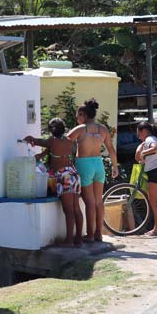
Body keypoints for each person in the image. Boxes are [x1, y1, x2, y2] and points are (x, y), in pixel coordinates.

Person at [24, 118, 83, 247]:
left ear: (51, 130)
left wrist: (31, 138)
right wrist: (42, 154)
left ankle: (69, 241)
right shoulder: (68, 140)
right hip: (74, 173)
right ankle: (78, 238)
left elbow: (41, 142)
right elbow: (53, 151)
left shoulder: (52, 141)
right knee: (76, 208)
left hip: (64, 175)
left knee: (69, 211)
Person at [68, 98, 118, 243]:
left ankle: (89, 235)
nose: (77, 119)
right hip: (98, 164)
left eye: (78, 116)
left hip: (84, 164)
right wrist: (115, 167)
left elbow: (63, 142)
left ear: (83, 114)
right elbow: (111, 149)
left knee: (89, 202)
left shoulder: (80, 129)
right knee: (98, 201)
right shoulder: (102, 129)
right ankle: (98, 233)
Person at [135, 121, 157, 236]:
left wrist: (144, 152)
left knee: (154, 201)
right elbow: (137, 157)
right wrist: (142, 148)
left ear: (143, 131)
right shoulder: (149, 139)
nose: (138, 136)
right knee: (155, 201)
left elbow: (154, 148)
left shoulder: (150, 139)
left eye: (139, 134)